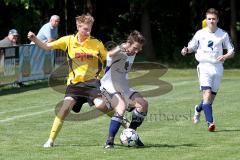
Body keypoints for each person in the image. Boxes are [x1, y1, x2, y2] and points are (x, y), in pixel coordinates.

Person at [28, 13, 107, 147]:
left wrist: (103, 76)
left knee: (101, 105)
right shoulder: (68, 41)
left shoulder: (97, 43)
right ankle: (50, 140)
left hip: (92, 83)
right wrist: (35, 38)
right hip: (74, 84)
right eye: (85, 29)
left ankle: (121, 120)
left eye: (90, 29)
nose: (88, 32)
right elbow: (47, 47)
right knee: (64, 109)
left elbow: (107, 60)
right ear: (78, 27)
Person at [181, 8, 234, 132]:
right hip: (204, 66)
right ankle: (210, 123)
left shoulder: (223, 34)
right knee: (207, 94)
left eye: (213, 19)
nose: (211, 21)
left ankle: (198, 109)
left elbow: (232, 51)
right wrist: (186, 50)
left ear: (217, 20)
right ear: (206, 19)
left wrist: (225, 56)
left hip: (218, 68)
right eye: (209, 19)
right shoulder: (200, 33)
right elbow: (191, 47)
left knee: (209, 100)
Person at [93, 30, 148, 148]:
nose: (137, 51)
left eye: (139, 48)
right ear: (128, 44)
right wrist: (120, 47)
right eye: (135, 48)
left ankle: (130, 133)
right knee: (121, 106)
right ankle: (109, 142)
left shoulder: (131, 53)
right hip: (108, 86)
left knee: (143, 104)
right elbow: (109, 55)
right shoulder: (119, 52)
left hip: (123, 86)